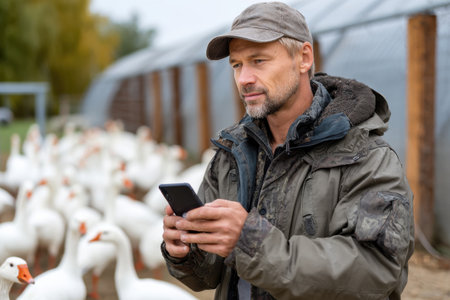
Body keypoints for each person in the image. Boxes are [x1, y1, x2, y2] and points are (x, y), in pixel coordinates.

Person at [161, 2, 414, 299]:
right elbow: (210, 274)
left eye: (258, 60)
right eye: (236, 65)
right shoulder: (231, 154)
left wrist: (251, 242)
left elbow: (377, 269)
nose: (244, 79)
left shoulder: (366, 158)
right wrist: (185, 251)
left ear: (303, 57)